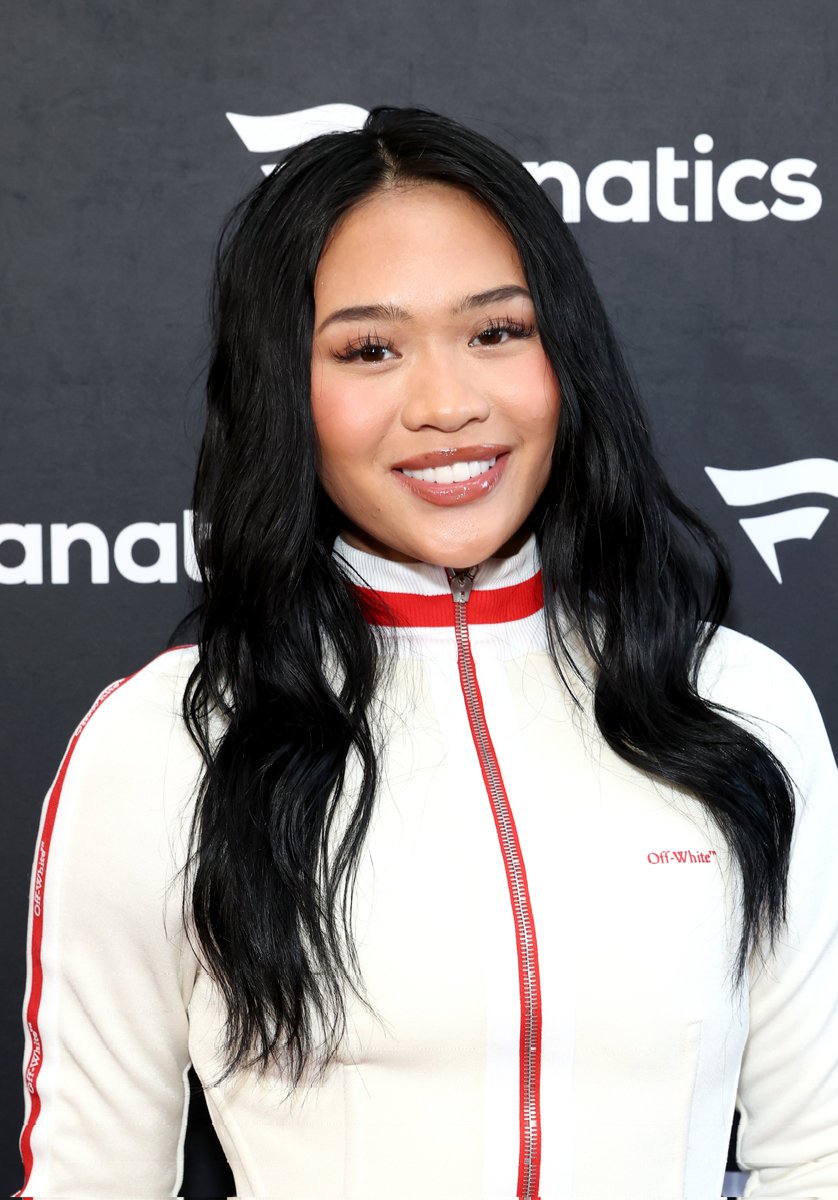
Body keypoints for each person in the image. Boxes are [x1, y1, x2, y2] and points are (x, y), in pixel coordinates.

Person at [17, 107, 838, 1199]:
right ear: (285, 394)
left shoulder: (738, 703)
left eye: (497, 331)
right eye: (369, 349)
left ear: (565, 357)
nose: (449, 404)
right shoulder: (165, 746)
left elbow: (817, 1154)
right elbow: (92, 1182)